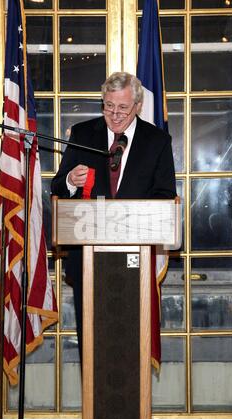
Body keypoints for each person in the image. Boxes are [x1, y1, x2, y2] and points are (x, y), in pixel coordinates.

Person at [51, 71, 176, 362]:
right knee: (92, 346)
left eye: (122, 107)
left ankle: (132, 408)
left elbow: (164, 195)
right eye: (108, 106)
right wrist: (70, 179)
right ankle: (93, 407)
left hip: (135, 259)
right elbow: (57, 186)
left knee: (129, 346)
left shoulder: (157, 141)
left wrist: (130, 219)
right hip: (87, 259)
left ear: (137, 106)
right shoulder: (83, 134)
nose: (115, 114)